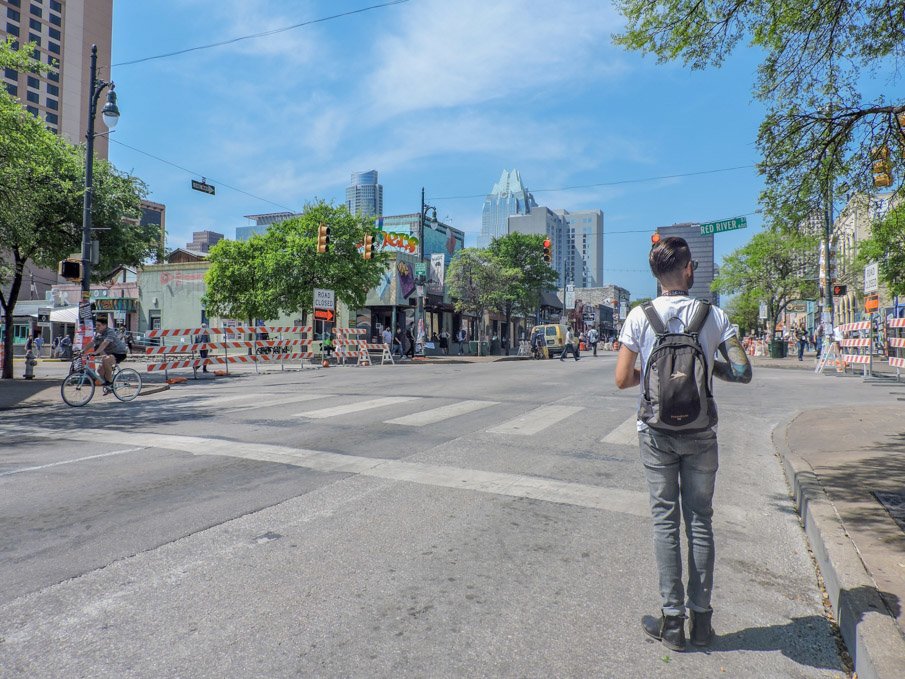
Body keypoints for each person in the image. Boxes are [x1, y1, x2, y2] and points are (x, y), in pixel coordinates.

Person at [615, 236, 752, 652]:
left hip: (656, 433)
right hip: (700, 433)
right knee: (700, 522)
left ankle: (672, 622)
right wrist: (706, 369)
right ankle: (703, 623)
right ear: (688, 269)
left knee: (665, 522)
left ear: (656, 275)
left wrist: (656, 383)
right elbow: (743, 372)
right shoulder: (715, 316)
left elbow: (622, 379)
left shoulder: (640, 317)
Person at [92, 316, 129, 387]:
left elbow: (105, 343)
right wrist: (82, 351)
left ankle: (110, 382)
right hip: (110, 354)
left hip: (120, 353)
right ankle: (108, 385)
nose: (97, 327)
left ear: (104, 325)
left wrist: (96, 352)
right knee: (100, 371)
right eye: (96, 325)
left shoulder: (110, 332)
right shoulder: (99, 334)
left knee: (106, 360)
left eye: (99, 325)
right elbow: (92, 342)